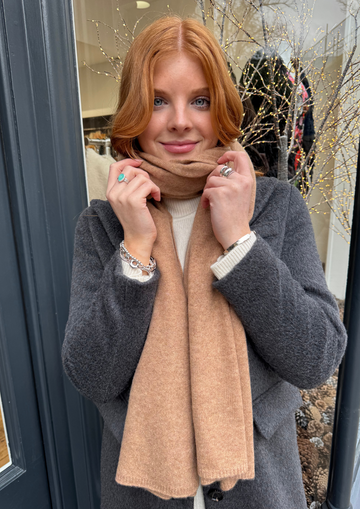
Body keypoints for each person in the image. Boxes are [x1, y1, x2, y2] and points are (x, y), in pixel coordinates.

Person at [62, 16, 347, 509]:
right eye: (157, 101)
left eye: (199, 100)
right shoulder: (103, 225)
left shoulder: (273, 206)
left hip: (257, 488)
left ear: (220, 108)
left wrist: (240, 241)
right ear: (133, 110)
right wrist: (134, 248)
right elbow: (92, 376)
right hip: (142, 494)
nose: (179, 120)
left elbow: (316, 357)